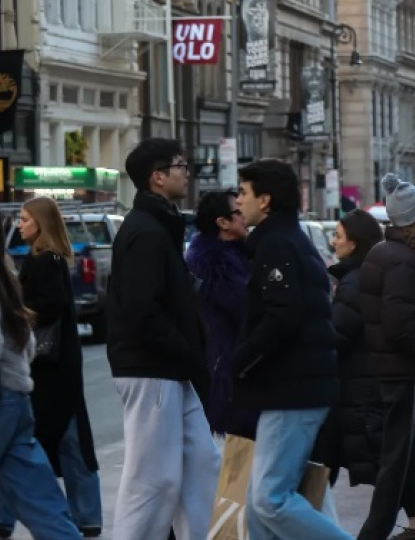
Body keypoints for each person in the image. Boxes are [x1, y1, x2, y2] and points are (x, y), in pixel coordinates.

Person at [107, 138, 220, 540]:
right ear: (157, 178)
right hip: (152, 367)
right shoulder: (147, 233)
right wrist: (186, 348)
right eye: (179, 165)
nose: (186, 171)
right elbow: (142, 312)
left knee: (202, 465)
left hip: (173, 368)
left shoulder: (161, 226)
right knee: (154, 481)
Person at [232, 159, 349, 539]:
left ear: (264, 200)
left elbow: (283, 318)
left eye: (244, 192)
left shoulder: (277, 245)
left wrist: (242, 359)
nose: (238, 201)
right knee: (258, 504)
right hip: (291, 387)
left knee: (271, 499)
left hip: (293, 391)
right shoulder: (285, 241)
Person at [0, 198, 102, 538]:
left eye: (26, 219)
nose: (21, 225)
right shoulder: (29, 264)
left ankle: (81, 518)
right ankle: (80, 520)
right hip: (37, 374)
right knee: (43, 460)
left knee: (65, 444)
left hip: (42, 371)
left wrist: (23, 314)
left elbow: (43, 311)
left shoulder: (41, 262)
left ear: (41, 223)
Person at [357, 174, 415, 540]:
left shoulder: (397, 255)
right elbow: (399, 326)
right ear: (413, 219)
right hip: (409, 376)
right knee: (400, 466)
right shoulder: (399, 260)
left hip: (412, 376)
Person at [313, 209, 385, 488]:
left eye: (338, 236)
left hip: (354, 390)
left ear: (354, 243)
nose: (333, 242)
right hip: (362, 387)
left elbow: (337, 336)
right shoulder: (363, 276)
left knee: (323, 468)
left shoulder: (354, 282)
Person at [184, 191, 255, 438]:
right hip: (230, 371)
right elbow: (246, 310)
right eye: (237, 212)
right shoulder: (216, 264)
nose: (244, 216)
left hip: (238, 367)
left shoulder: (237, 255)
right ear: (222, 223)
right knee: (243, 457)